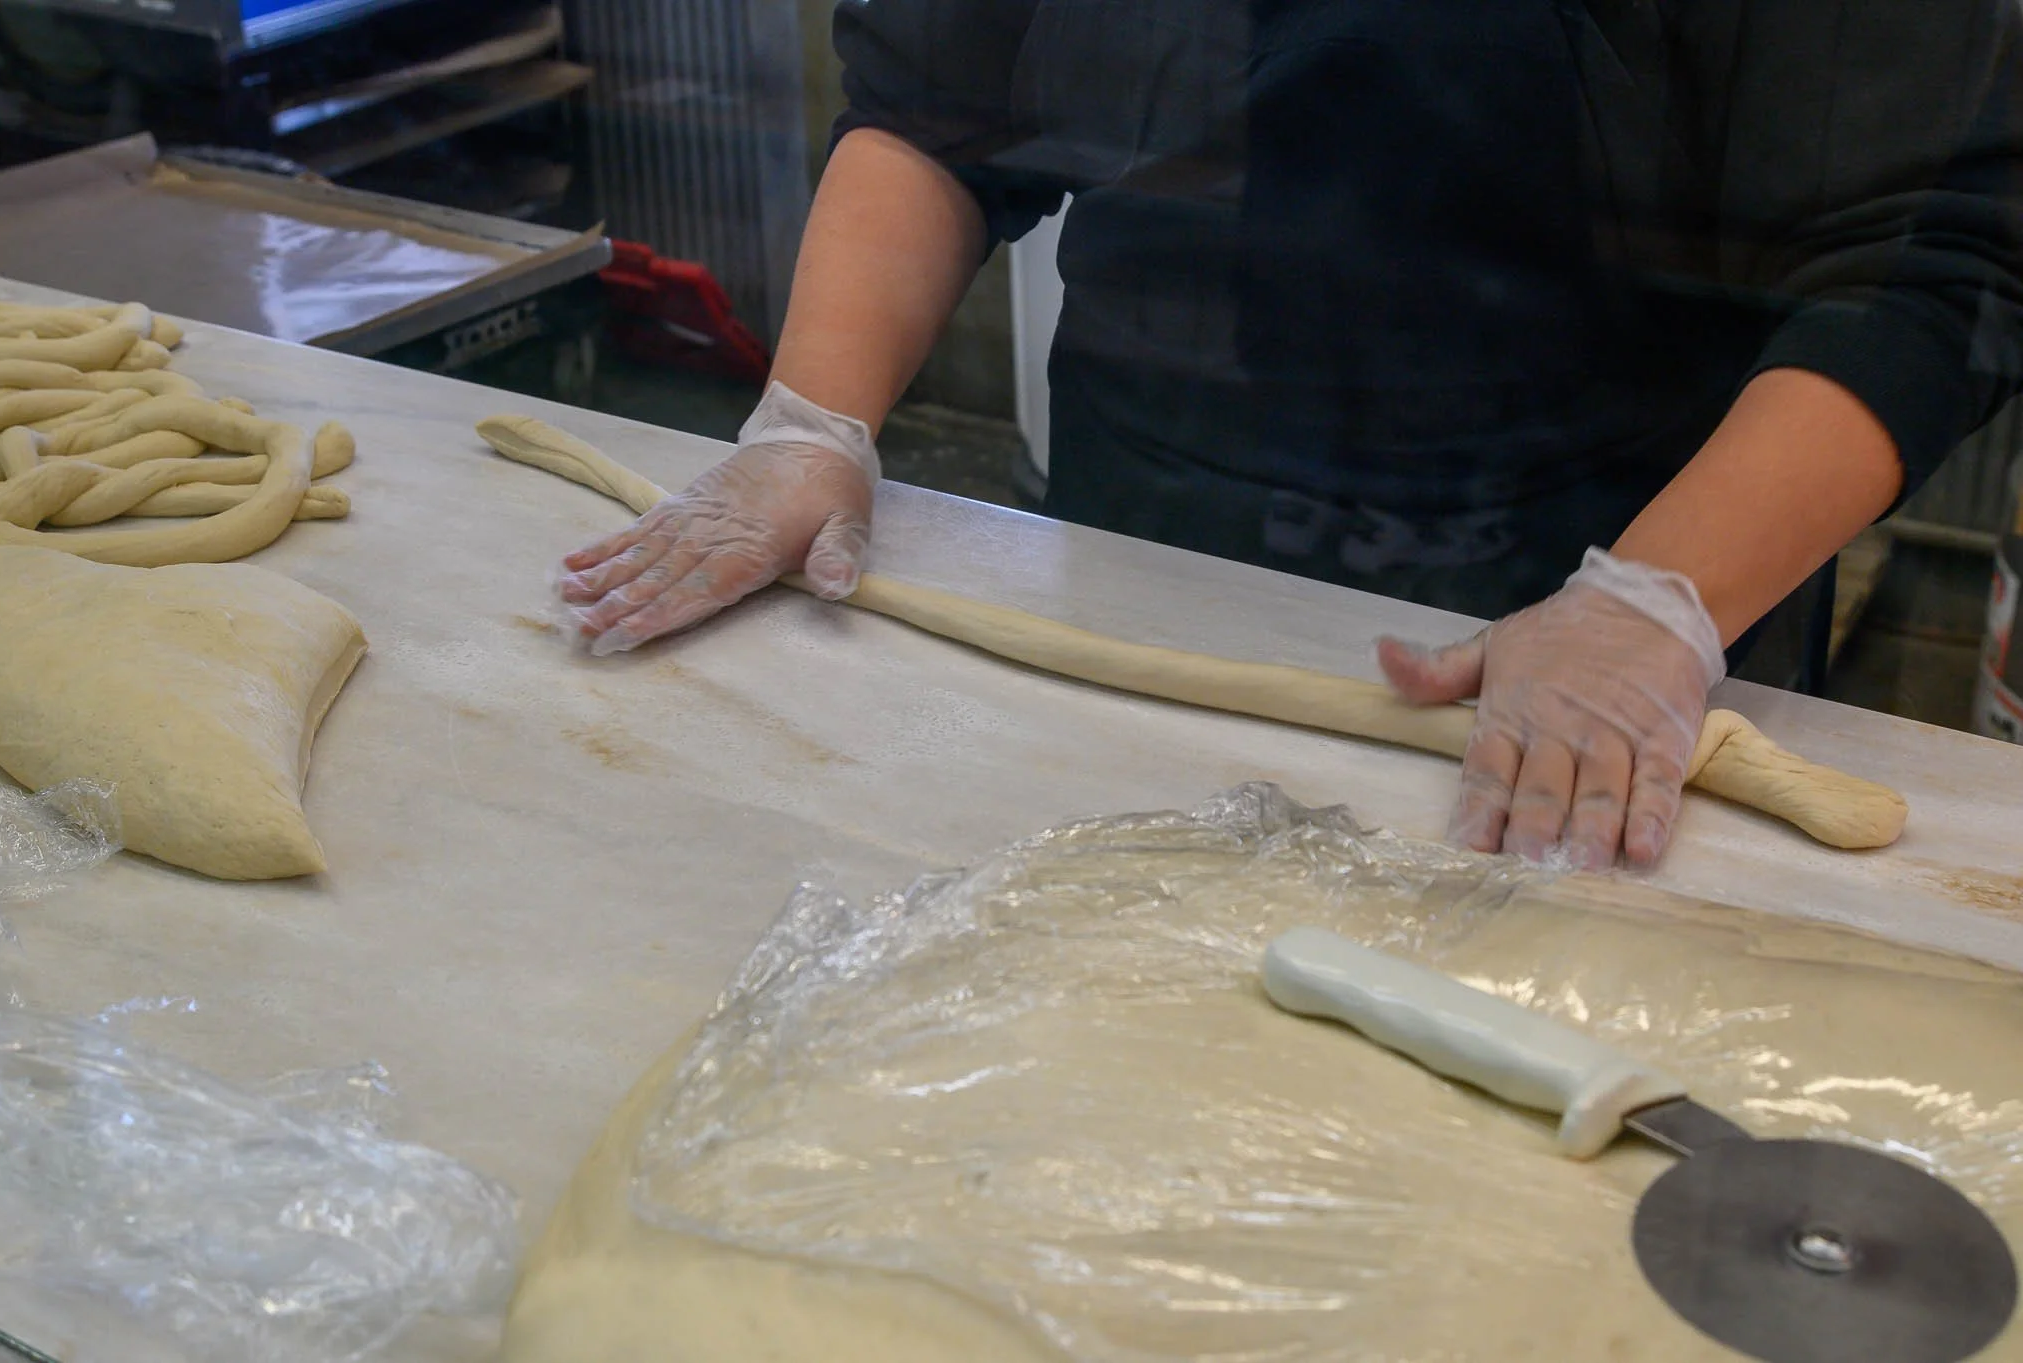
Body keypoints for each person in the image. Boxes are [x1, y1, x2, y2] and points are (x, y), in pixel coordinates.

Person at [557, 0, 2023, 870]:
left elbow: (1924, 259)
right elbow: (937, 103)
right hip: (1148, 552)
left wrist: (1653, 605)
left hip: (1615, 618)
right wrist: (812, 420)